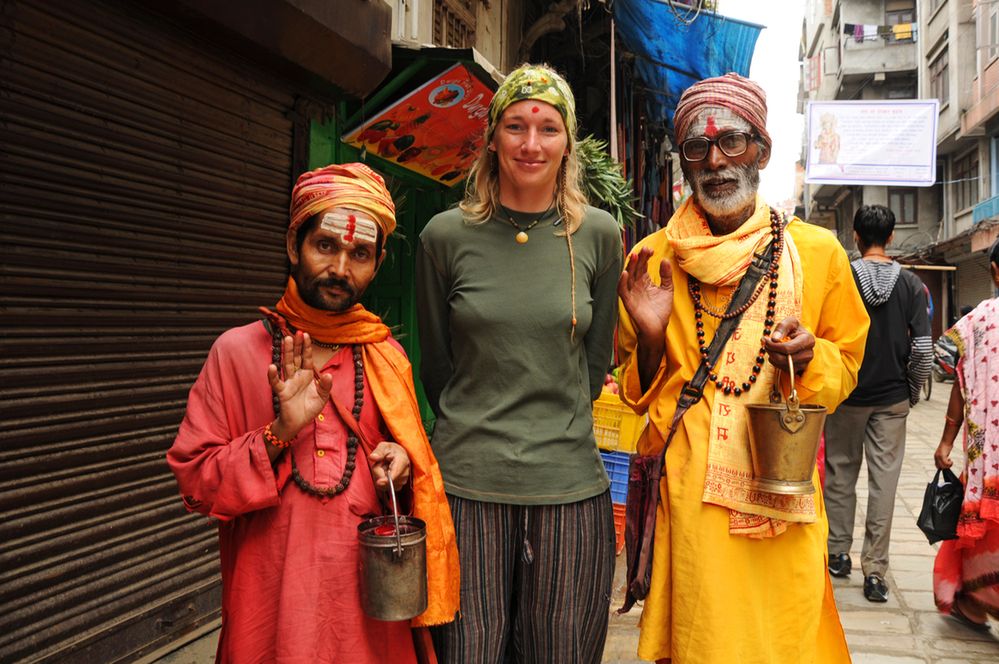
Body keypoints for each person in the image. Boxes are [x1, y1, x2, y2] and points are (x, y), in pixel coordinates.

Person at [616, 73, 868, 663]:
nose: (716, 161)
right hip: (693, 497)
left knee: (782, 638)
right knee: (706, 642)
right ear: (682, 161)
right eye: (697, 148)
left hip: (781, 490)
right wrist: (651, 339)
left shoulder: (816, 252)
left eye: (732, 142)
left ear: (763, 150)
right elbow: (634, 388)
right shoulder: (651, 259)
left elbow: (848, 362)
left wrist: (811, 357)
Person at [167, 163, 459, 663]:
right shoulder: (237, 352)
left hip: (369, 622)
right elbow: (196, 483)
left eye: (360, 254)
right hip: (271, 612)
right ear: (293, 245)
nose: (341, 269)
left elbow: (417, 492)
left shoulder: (386, 357)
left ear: (378, 262)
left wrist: (402, 466)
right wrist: (277, 434)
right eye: (326, 245)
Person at [416, 63, 623, 663]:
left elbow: (593, 362)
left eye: (548, 128)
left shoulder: (599, 237)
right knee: (469, 652)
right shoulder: (444, 237)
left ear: (568, 143)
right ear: (492, 138)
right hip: (466, 483)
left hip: (568, 486)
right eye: (515, 126)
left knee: (560, 651)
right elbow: (438, 366)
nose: (531, 144)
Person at [824, 204, 932, 602]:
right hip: (891, 399)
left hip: (847, 394)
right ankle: (875, 571)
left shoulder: (843, 277)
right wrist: (912, 389)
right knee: (884, 482)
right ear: (890, 238)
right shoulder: (911, 285)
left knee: (840, 473)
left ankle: (838, 554)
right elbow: (922, 348)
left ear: (855, 236)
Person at [932, 238, 999, 632]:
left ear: (993, 272)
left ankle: (973, 598)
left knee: (982, 526)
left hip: (985, 454)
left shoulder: (977, 321)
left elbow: (953, 373)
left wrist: (945, 441)